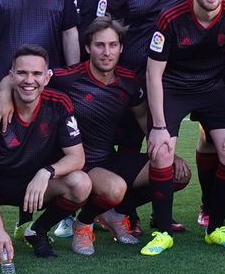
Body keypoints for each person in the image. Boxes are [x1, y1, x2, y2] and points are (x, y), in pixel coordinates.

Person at [142, 0, 225, 252]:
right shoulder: (171, 17)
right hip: (173, 87)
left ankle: (215, 228)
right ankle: (162, 232)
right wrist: (158, 126)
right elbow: (153, 74)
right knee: (161, 151)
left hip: (212, 88)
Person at [0, 45, 90, 263]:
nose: (29, 80)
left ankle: (38, 230)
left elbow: (77, 157)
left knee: (81, 183)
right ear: (11, 76)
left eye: (36, 73)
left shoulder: (59, 103)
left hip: (37, 184)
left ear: (47, 78)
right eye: (22, 73)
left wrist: (46, 172)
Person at [44, 17, 175, 253]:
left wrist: (161, 149)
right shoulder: (68, 77)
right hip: (77, 165)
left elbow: (143, 117)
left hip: (107, 159)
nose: (107, 52)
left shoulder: (128, 81)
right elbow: (26, 78)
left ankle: (115, 215)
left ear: (121, 48)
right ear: (87, 48)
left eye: (113, 45)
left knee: (172, 171)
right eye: (99, 45)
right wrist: (3, 96)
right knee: (114, 189)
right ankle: (83, 224)